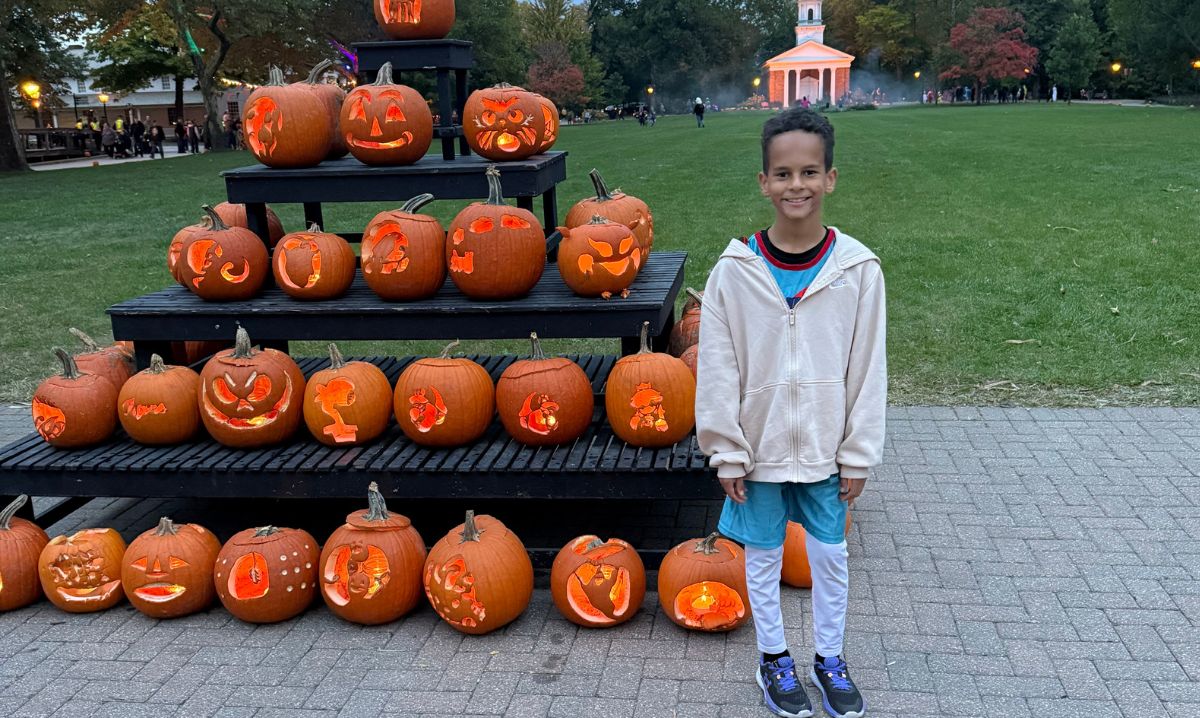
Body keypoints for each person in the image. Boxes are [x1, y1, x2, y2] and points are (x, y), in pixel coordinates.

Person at [696, 107, 885, 718]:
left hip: (830, 448)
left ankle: (830, 658)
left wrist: (859, 451)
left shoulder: (858, 270)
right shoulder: (734, 273)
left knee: (830, 555)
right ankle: (774, 658)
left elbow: (868, 368)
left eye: (809, 172)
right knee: (765, 555)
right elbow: (719, 367)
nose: (795, 185)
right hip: (760, 447)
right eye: (782, 174)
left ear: (831, 178)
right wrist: (725, 448)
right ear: (763, 182)